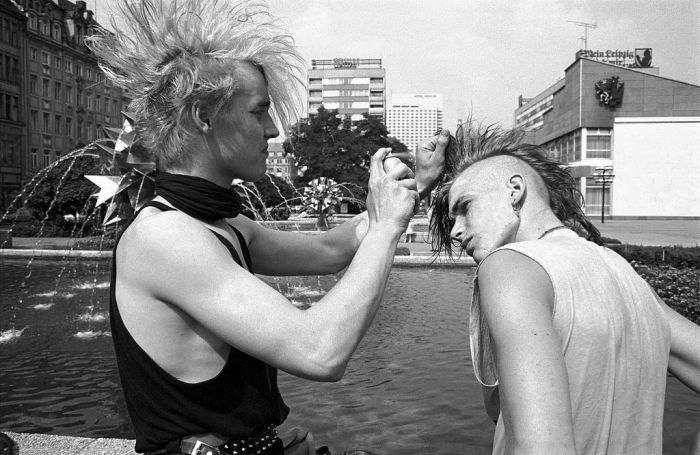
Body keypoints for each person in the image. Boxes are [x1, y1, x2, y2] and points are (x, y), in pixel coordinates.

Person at [85, 1, 426, 454]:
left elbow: (331, 250)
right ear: (204, 116)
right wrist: (386, 230)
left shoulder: (223, 224)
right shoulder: (165, 236)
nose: (273, 129)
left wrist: (409, 188)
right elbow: (320, 353)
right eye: (259, 111)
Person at [418, 121, 700, 454]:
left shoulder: (509, 265)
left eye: (465, 208)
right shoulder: (626, 274)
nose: (455, 231)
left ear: (514, 190)